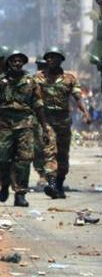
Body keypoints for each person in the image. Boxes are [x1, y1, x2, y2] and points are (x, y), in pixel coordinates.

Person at [34, 47, 91, 199]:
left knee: (63, 155)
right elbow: (30, 97)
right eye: (49, 57)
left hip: (63, 121)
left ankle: (59, 184)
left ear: (61, 60)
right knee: (50, 151)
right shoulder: (38, 78)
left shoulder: (69, 78)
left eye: (55, 57)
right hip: (46, 121)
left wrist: (85, 113)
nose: (51, 60)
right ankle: (51, 184)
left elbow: (77, 97)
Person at [0, 50, 50, 207]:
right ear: (8, 63)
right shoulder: (1, 81)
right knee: (3, 158)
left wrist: (44, 127)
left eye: (19, 61)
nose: (17, 63)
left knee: (24, 160)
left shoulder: (30, 81)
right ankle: (4, 184)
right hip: (4, 124)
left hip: (25, 124)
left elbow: (38, 105)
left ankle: (20, 193)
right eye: (13, 61)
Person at [32, 57, 58, 196]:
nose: (41, 68)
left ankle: (51, 180)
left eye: (43, 65)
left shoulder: (53, 80)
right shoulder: (31, 81)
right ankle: (42, 175)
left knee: (49, 150)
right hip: (35, 120)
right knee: (37, 150)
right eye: (39, 65)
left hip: (51, 120)